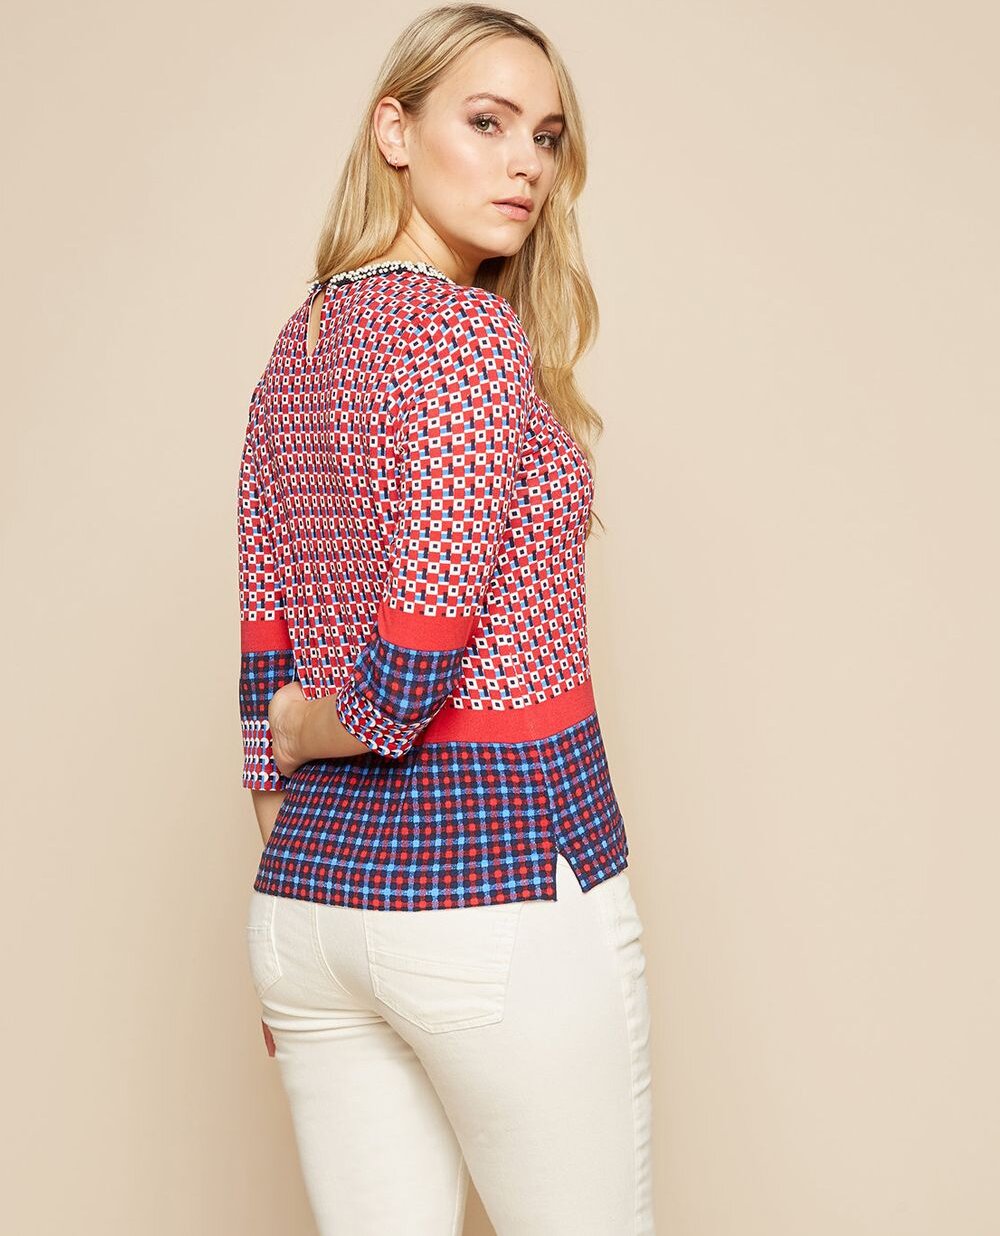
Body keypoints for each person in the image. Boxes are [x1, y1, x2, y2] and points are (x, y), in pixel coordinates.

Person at [237, 5, 655, 1232]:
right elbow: (405, 669)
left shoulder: (297, 345)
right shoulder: (466, 334)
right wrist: (314, 727)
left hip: (310, 907)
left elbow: (261, 644)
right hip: (497, 883)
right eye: (486, 122)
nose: (525, 162)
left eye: (545, 136)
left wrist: (283, 875)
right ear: (395, 131)